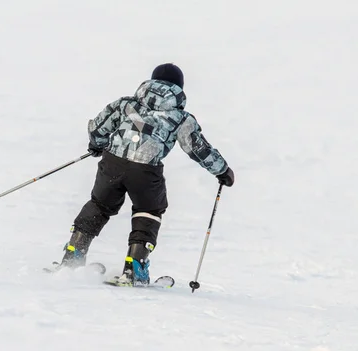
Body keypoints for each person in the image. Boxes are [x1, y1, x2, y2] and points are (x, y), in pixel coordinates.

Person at [59, 63, 234, 286]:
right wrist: (222, 171)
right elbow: (198, 148)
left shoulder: (125, 104)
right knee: (149, 210)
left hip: (112, 162)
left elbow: (98, 127)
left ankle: (73, 254)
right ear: (179, 87)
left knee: (100, 204)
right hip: (145, 169)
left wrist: (97, 144)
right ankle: (135, 268)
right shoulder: (180, 118)